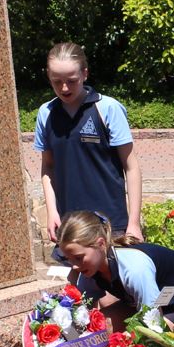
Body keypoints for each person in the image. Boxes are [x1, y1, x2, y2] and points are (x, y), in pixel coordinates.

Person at [34, 42, 143, 255]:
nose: (64, 88)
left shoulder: (107, 108)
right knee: (76, 287)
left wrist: (134, 222)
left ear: (85, 74)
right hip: (70, 225)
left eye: (71, 81)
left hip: (111, 223)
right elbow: (48, 167)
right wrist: (52, 211)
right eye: (57, 82)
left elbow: (131, 166)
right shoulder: (46, 113)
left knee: (115, 285)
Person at [56, 210, 174, 340]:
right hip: (162, 300)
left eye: (78, 258)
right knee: (100, 330)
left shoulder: (134, 270)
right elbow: (85, 317)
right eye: (69, 259)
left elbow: (153, 325)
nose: (74, 266)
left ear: (100, 244)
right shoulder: (88, 268)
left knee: (143, 341)